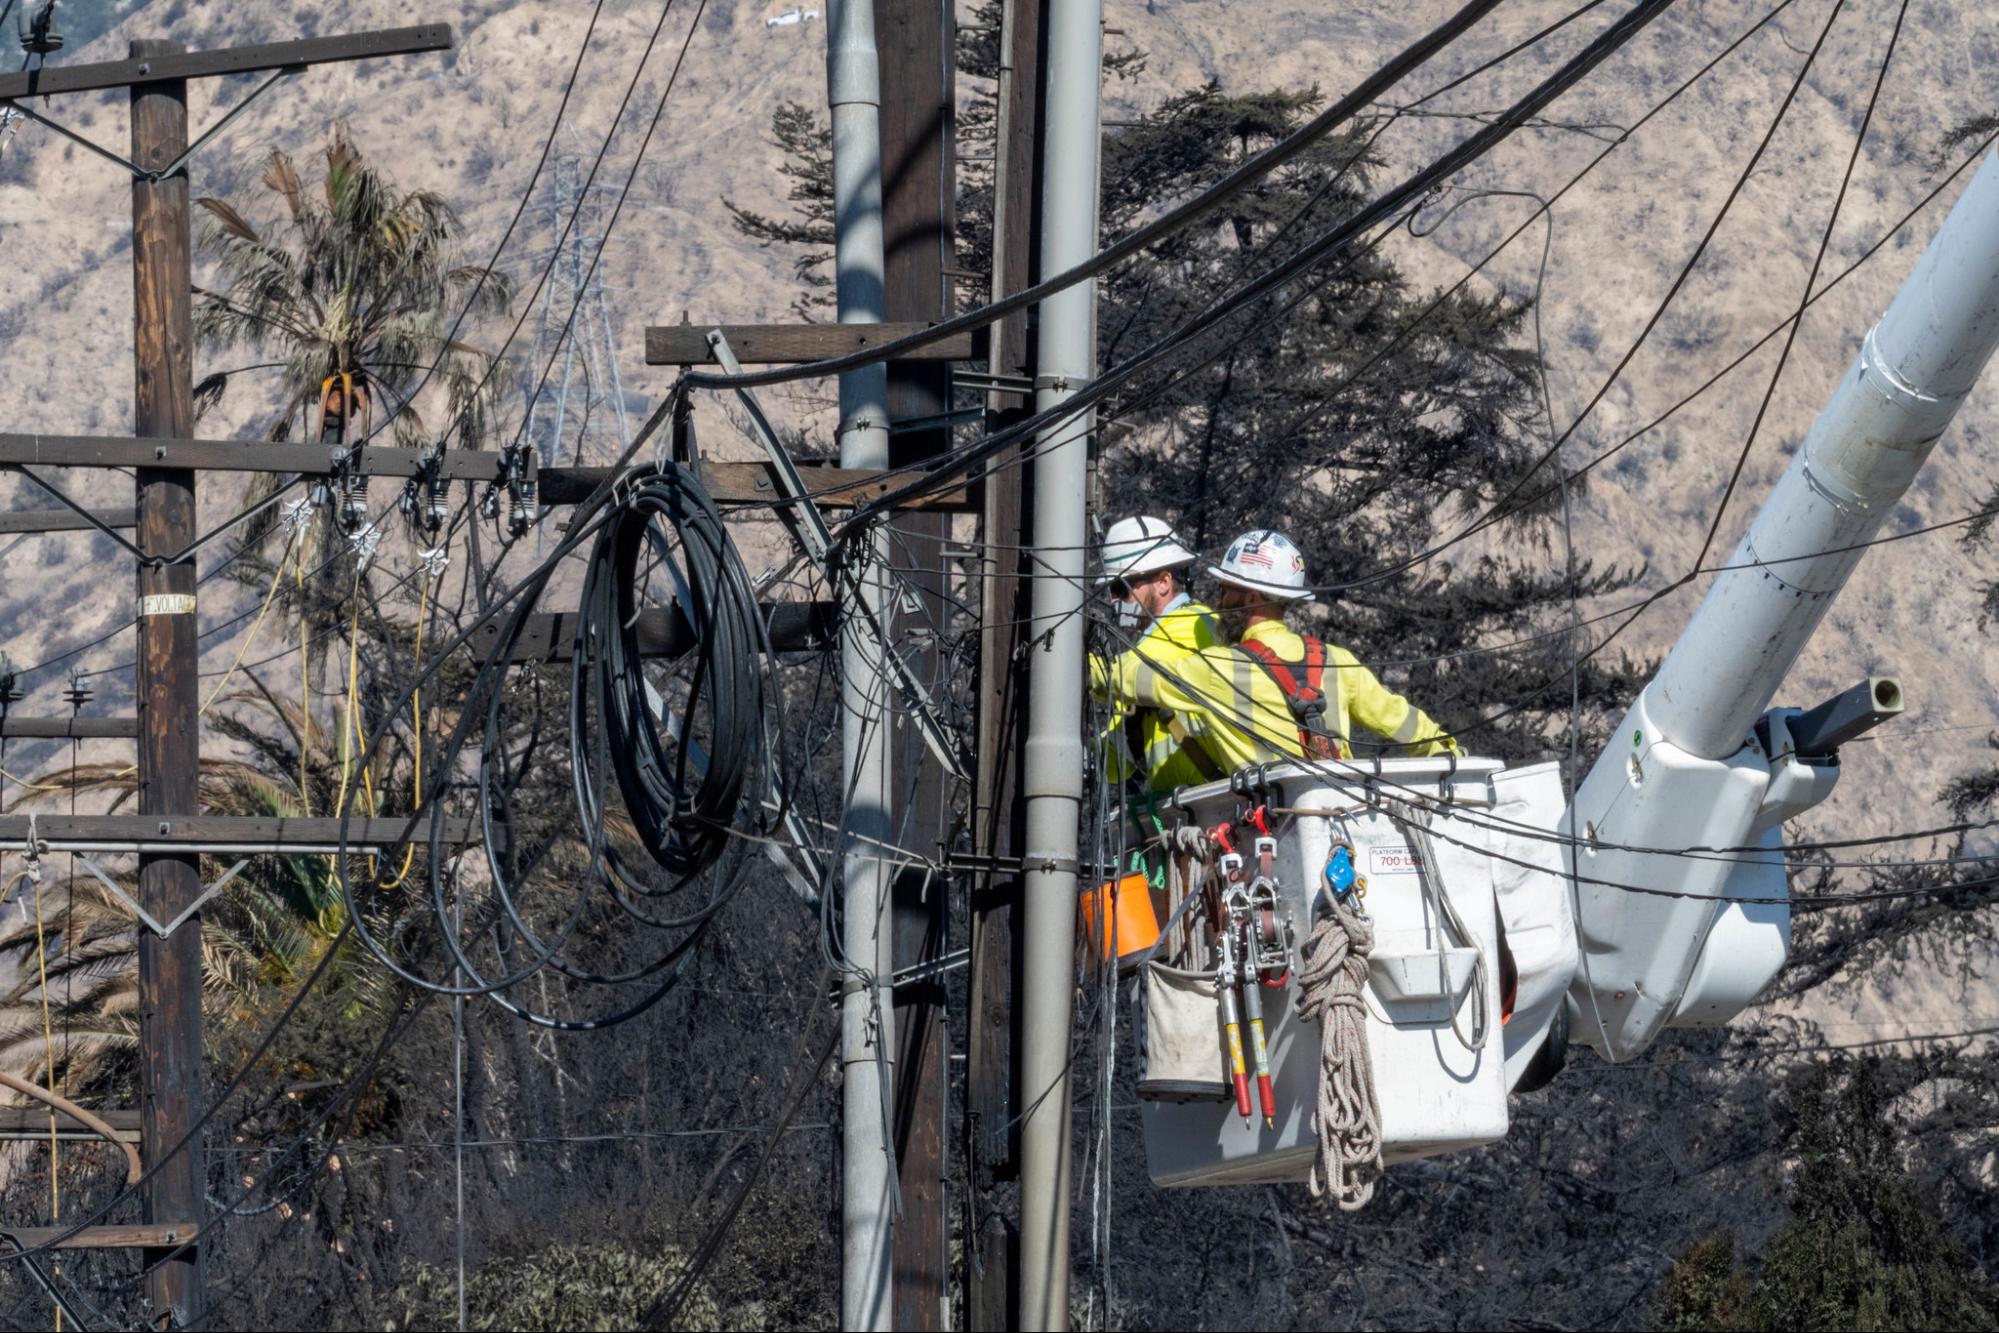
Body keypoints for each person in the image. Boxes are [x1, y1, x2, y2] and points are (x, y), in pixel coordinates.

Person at [1103, 528, 1456, 777]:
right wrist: (1452, 758)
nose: (1219, 601)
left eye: (1226, 590)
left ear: (1252, 597)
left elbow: (1121, 677)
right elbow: (1406, 724)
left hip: (1263, 841)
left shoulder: (1219, 668)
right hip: (1343, 826)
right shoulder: (1336, 660)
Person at [1090, 515, 1222, 791]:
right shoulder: (1208, 620)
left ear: (1164, 582)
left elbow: (1113, 763)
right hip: (1215, 801)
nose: (1114, 601)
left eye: (1121, 588)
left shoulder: (1169, 639)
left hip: (1197, 807)